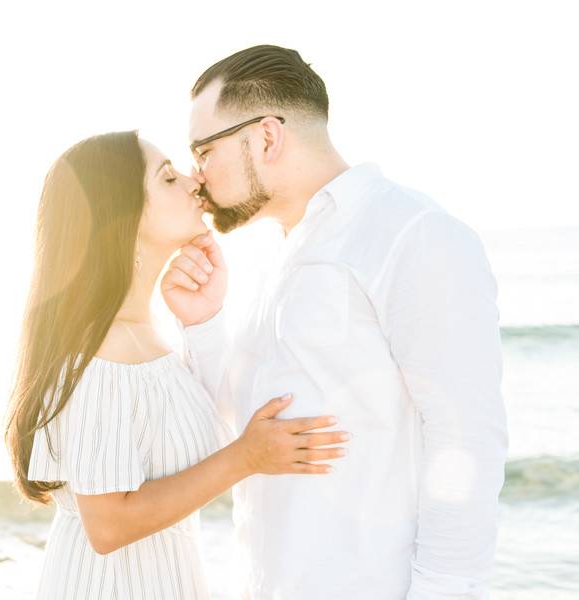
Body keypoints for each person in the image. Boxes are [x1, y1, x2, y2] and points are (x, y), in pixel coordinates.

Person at [162, 45, 509, 599]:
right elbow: (240, 436)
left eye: (204, 150)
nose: (196, 176)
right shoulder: (277, 259)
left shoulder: (411, 233)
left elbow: (467, 436)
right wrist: (203, 325)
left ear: (267, 137)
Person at [4, 130, 349, 599]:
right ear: (122, 215)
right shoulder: (99, 353)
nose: (193, 182)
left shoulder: (141, 332)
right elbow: (108, 525)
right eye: (167, 177)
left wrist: (202, 321)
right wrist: (246, 458)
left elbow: (203, 445)